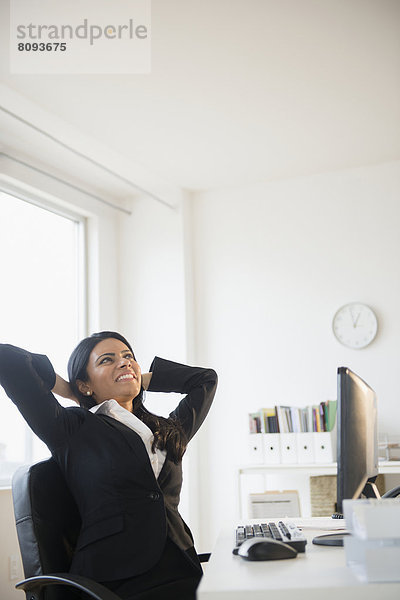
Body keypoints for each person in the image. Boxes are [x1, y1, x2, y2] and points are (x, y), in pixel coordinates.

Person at [0, 331, 217, 600]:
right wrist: (69, 389)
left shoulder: (168, 430)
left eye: (128, 357)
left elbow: (206, 380)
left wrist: (136, 377)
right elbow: (7, 359)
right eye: (107, 360)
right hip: (117, 580)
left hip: (182, 567)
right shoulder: (72, 428)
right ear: (84, 384)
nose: (124, 362)